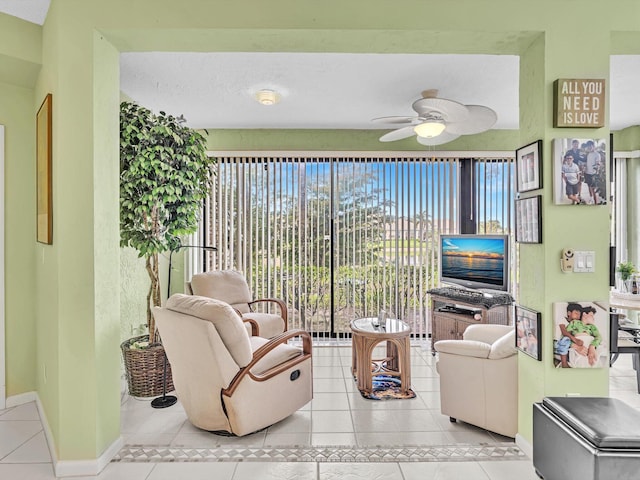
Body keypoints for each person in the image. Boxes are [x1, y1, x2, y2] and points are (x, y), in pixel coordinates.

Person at [555, 303, 583, 367]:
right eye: (576, 313)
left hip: (569, 344)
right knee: (565, 339)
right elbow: (564, 332)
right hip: (558, 342)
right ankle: (564, 364)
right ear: (569, 313)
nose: (578, 316)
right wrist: (575, 340)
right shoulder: (563, 319)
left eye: (579, 314)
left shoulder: (576, 324)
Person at [584, 140, 603, 205]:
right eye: (588, 146)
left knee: (593, 189)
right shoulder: (588, 154)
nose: (589, 147)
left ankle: (595, 203)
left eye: (591, 146)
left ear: (593, 146)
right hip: (587, 173)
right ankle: (591, 199)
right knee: (589, 187)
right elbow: (588, 163)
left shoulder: (597, 154)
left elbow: (598, 164)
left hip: (593, 174)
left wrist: (597, 173)